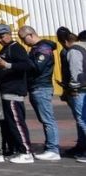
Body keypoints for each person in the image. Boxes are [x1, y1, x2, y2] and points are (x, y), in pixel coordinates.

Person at [0, 24, 34, 162]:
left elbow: (27, 65)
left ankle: (26, 153)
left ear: (9, 34)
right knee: (10, 124)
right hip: (5, 92)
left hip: (13, 93)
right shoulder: (6, 49)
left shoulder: (16, 48)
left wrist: (7, 65)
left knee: (17, 123)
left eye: (2, 36)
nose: (0, 40)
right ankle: (15, 149)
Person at [19, 26, 61, 161]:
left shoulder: (43, 49)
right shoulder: (37, 48)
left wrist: (24, 61)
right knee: (45, 119)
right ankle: (50, 147)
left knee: (48, 119)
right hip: (36, 87)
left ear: (30, 35)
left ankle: (53, 149)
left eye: (23, 38)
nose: (23, 42)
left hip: (41, 87)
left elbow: (37, 67)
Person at [57, 28, 86, 161]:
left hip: (80, 90)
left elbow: (76, 73)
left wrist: (73, 88)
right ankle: (82, 146)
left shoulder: (74, 50)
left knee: (82, 120)